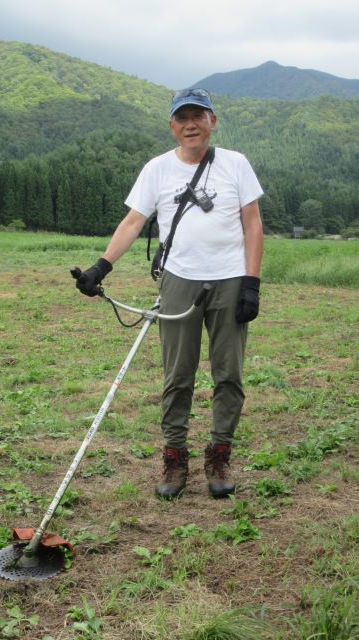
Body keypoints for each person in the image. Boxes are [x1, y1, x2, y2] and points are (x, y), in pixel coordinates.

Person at [75, 88, 264, 500]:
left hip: (231, 280)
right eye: (183, 118)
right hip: (179, 279)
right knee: (178, 375)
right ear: (172, 126)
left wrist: (251, 282)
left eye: (199, 116)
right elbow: (132, 222)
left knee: (228, 373)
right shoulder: (157, 170)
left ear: (213, 120)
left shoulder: (236, 164)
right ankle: (175, 458)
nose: (191, 124)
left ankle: (219, 454)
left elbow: (252, 224)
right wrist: (101, 267)